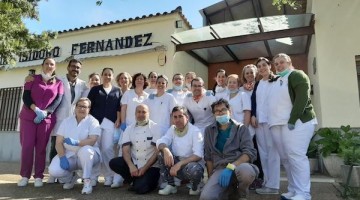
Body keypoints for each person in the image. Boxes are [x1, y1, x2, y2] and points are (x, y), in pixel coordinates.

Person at [268, 53, 317, 200]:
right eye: (276, 64)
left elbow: (302, 98)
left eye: (282, 62)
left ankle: (304, 193)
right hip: (281, 124)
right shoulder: (279, 79)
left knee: (297, 156)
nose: (279, 66)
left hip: (298, 122)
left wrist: (293, 119)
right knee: (287, 159)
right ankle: (294, 189)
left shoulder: (296, 75)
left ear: (289, 62)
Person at [18, 57, 64, 187]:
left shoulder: (58, 83)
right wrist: (36, 109)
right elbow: (26, 96)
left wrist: (46, 113)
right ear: (42, 65)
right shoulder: (32, 79)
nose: (49, 66)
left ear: (55, 67)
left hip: (46, 120)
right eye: (47, 63)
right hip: (28, 117)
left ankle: (38, 176)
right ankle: (25, 176)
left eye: (52, 64)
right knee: (27, 147)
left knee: (41, 148)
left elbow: (57, 101)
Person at [200, 99, 258, 200]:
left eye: (223, 110)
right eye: (217, 111)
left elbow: (249, 152)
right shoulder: (209, 130)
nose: (220, 112)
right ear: (214, 114)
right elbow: (208, 157)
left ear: (229, 111)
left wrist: (231, 166)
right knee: (206, 197)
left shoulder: (241, 128)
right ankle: (230, 190)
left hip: (239, 165)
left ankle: (241, 193)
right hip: (220, 169)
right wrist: (210, 179)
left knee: (246, 172)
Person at [48, 98, 101, 194]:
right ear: (75, 108)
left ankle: (87, 182)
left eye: (85, 107)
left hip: (89, 155)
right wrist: (62, 156)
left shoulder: (93, 121)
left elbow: (92, 140)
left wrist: (77, 142)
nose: (82, 109)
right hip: (69, 155)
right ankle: (70, 178)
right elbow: (59, 142)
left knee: (86, 151)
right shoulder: (66, 121)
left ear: (89, 109)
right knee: (54, 170)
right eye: (79, 106)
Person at [109, 104, 162, 194]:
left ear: (148, 113)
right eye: (139, 112)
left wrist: (145, 168)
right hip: (135, 164)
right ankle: (134, 180)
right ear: (135, 114)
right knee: (114, 163)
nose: (141, 114)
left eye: (144, 112)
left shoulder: (155, 128)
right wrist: (131, 166)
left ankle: (146, 182)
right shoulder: (129, 129)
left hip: (151, 166)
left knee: (140, 189)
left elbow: (157, 152)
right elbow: (125, 150)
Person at [156, 106, 204, 196]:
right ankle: (171, 185)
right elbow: (161, 141)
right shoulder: (172, 129)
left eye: (180, 116)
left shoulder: (195, 131)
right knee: (161, 153)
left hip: (190, 164)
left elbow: (198, 155)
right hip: (177, 163)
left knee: (195, 170)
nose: (177, 120)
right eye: (175, 117)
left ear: (187, 117)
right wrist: (166, 150)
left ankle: (195, 186)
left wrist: (179, 164)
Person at [250, 57, 281, 195]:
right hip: (259, 122)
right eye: (259, 66)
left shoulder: (277, 80)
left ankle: (273, 185)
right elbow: (254, 101)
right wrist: (253, 115)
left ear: (269, 66)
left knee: (273, 153)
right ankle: (267, 182)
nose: (262, 68)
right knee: (263, 153)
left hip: (272, 121)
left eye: (264, 65)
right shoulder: (257, 84)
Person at [87, 67, 121, 186]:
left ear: (112, 76)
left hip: (110, 123)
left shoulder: (117, 90)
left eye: (109, 74)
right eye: (105, 74)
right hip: (95, 122)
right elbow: (88, 106)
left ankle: (109, 176)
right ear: (102, 76)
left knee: (107, 149)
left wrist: (118, 119)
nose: (107, 76)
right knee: (95, 148)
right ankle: (93, 176)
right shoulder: (95, 90)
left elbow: (119, 107)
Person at [111, 71, 132, 188]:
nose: (123, 80)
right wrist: (119, 120)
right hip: (120, 125)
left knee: (129, 151)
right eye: (121, 78)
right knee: (119, 151)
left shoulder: (133, 93)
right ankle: (117, 179)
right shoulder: (117, 92)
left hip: (131, 125)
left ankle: (128, 177)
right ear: (118, 81)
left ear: (129, 80)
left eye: (126, 78)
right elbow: (118, 108)